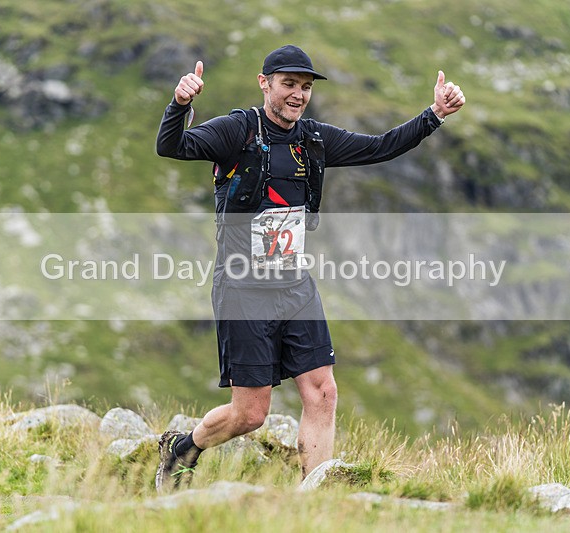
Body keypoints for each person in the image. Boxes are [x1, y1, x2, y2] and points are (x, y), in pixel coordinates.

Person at [154, 44, 464, 492]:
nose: (298, 95)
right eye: (288, 85)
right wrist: (179, 104)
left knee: (323, 392)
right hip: (242, 288)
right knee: (251, 415)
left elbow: (380, 147)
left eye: (305, 87)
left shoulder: (313, 139)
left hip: (295, 285)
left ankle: (314, 500)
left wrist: (433, 114)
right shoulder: (236, 131)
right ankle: (184, 449)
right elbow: (172, 146)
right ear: (265, 83)